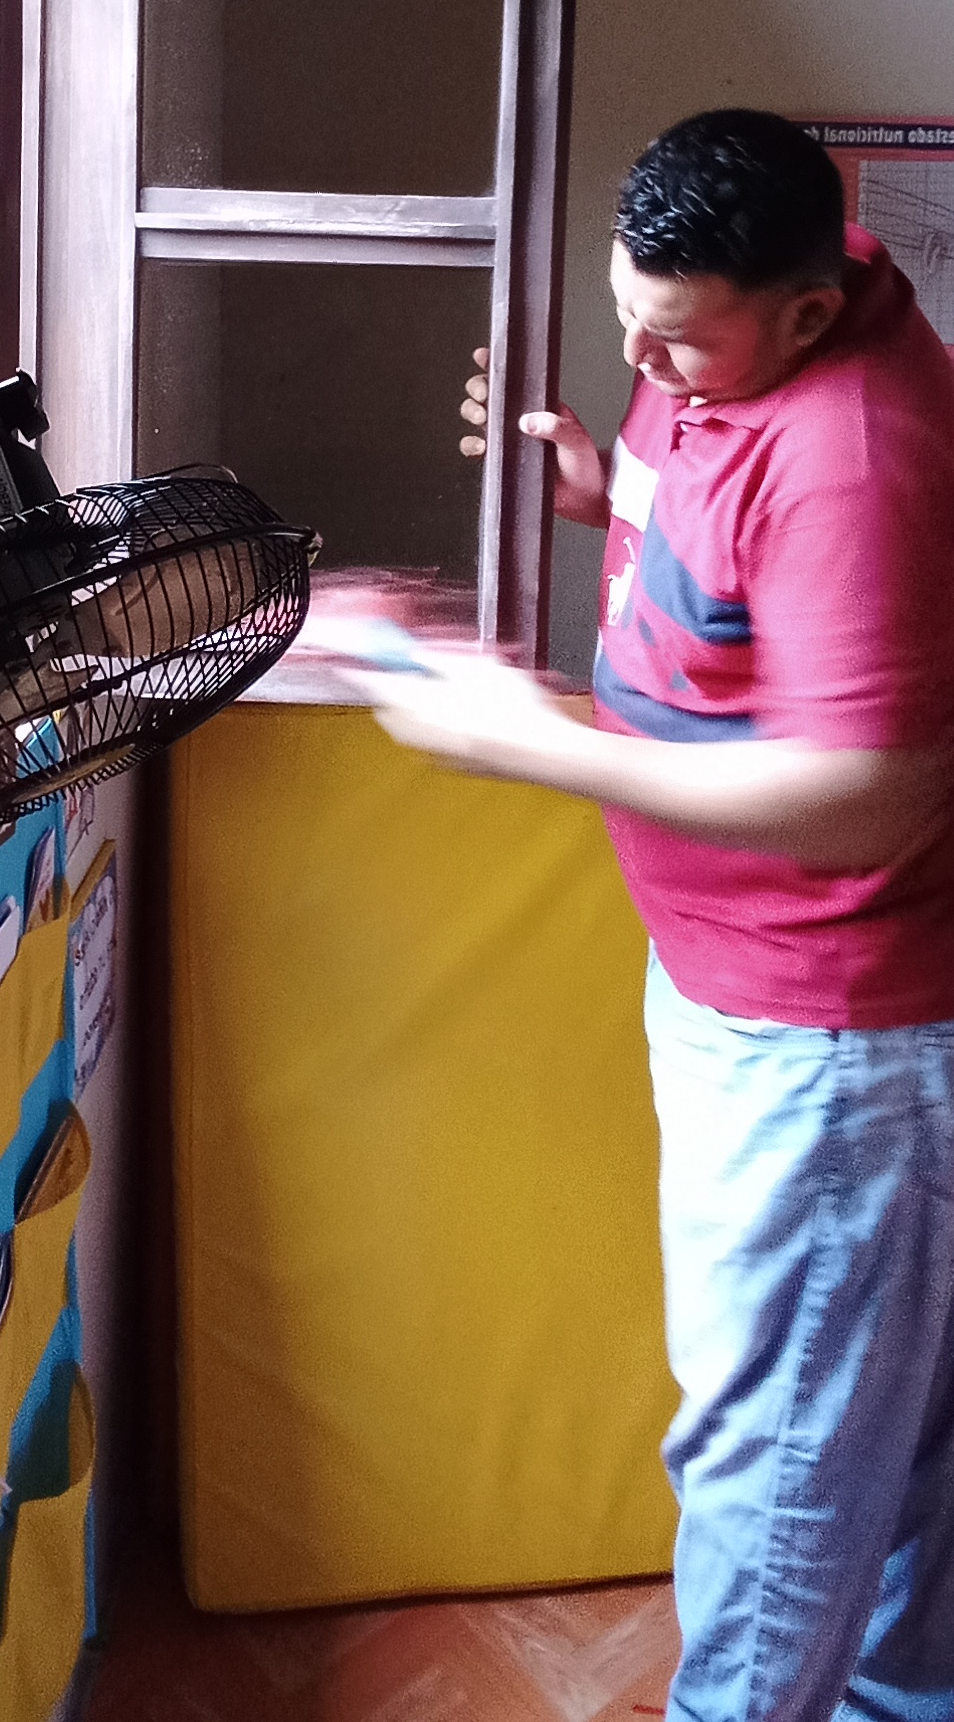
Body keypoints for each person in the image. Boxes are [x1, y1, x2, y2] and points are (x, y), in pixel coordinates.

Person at [362, 110, 954, 1722]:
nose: (643, 357)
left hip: (828, 1037)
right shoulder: (728, 344)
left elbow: (870, 793)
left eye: (675, 340)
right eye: (631, 316)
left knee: (784, 1460)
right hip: (738, 989)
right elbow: (728, 556)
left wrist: (543, 746)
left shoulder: (855, 455)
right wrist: (594, 485)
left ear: (810, 312)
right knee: (873, 1440)